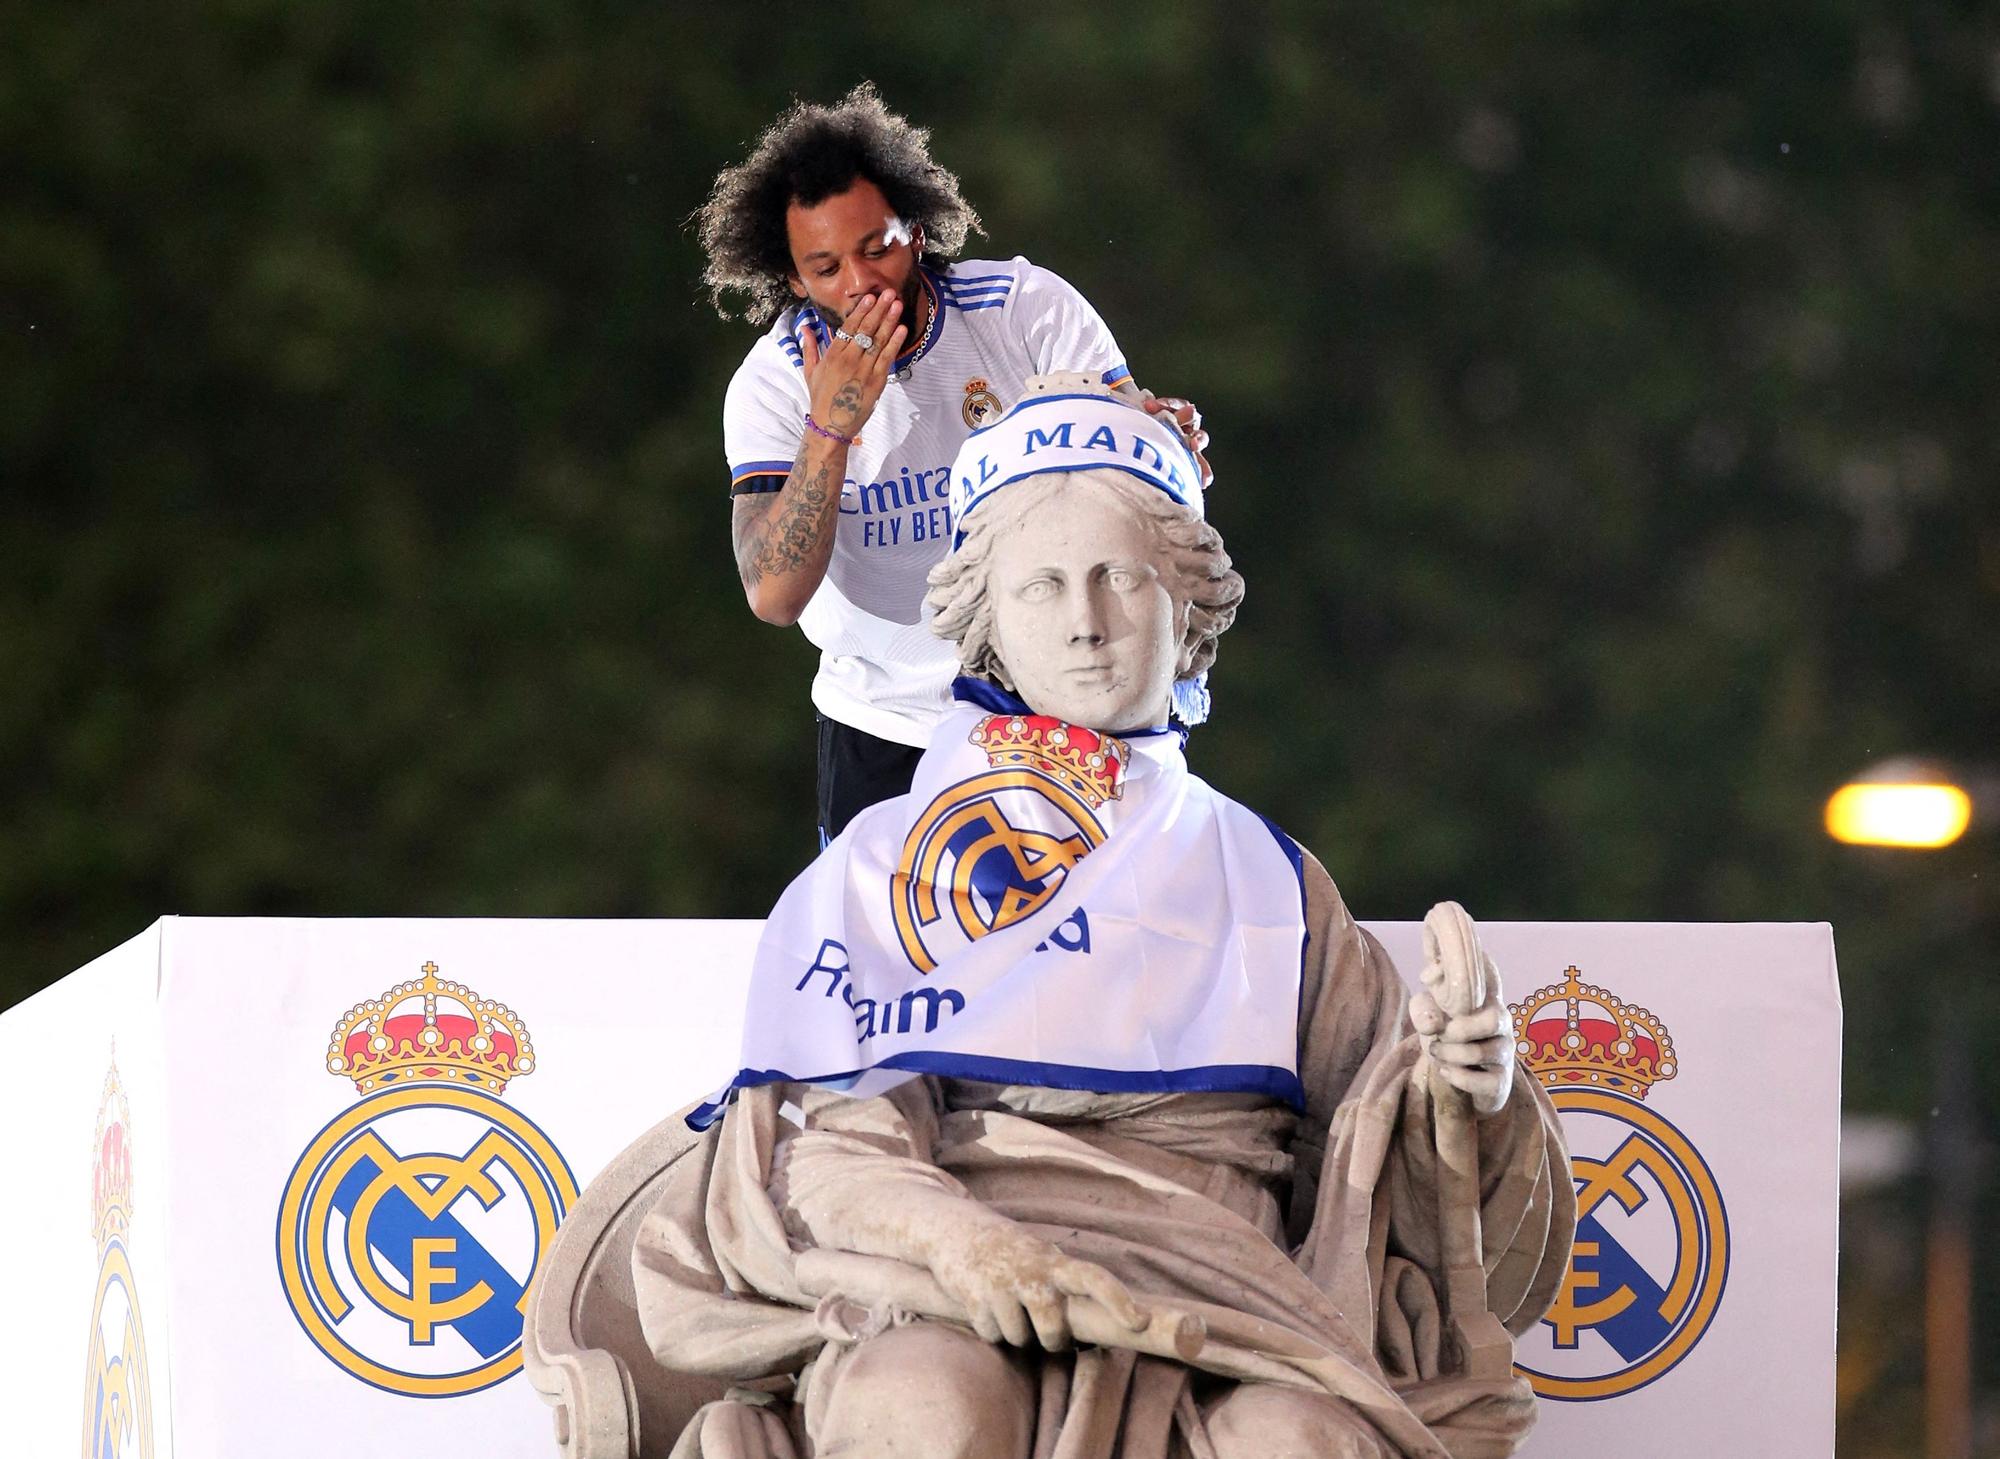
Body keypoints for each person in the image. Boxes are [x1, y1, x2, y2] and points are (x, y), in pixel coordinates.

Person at [626, 385, 1575, 1458]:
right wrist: (970, 1249)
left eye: (1120, 578)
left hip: (1232, 1312)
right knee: (924, 1401)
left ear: (1188, 607)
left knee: (1300, 1440)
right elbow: (826, 1146)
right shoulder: (885, 862)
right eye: (1040, 585)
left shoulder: (1270, 879)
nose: (1085, 621)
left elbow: (1382, 1172)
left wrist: (1467, 1091)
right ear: (985, 620)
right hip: (954, 1287)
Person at [695, 84, 1210, 843]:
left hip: (1056, 703)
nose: (861, 283)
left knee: (1100, 947)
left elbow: (1136, 476)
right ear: (794, 279)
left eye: (878, 247)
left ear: (918, 229)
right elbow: (773, 595)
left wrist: (1165, 445)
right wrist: (830, 430)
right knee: (903, 958)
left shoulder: (1023, 308)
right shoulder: (771, 385)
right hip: (887, 725)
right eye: (827, 267)